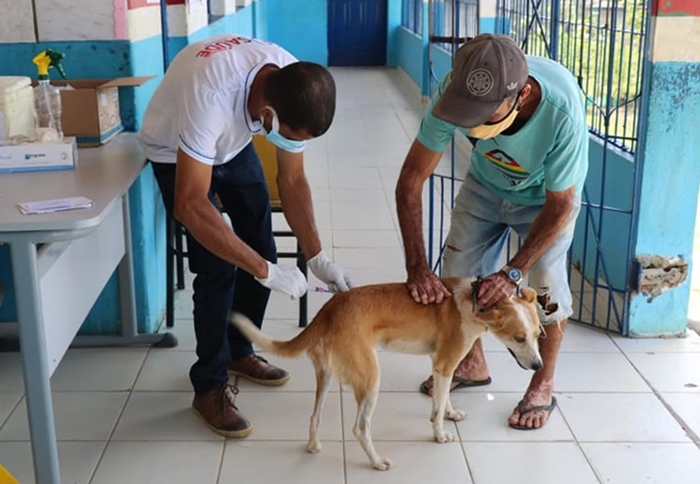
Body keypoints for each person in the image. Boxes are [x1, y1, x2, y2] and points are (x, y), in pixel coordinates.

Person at [138, 34, 353, 438]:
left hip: (231, 147)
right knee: (218, 264)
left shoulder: (290, 78)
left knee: (261, 242)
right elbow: (190, 204)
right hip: (173, 149)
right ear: (268, 113)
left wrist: (317, 256)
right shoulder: (212, 97)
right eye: (290, 136)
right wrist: (264, 271)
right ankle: (209, 385)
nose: (291, 145)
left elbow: (291, 178)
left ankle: (239, 351)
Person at [395, 33, 588, 430]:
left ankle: (542, 383)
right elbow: (412, 178)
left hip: (545, 200)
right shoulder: (455, 87)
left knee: (547, 284)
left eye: (485, 113)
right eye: (469, 112)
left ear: (523, 94)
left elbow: (562, 205)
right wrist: (416, 265)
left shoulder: (560, 111)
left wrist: (513, 271)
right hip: (483, 185)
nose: (474, 123)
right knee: (459, 270)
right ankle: (473, 361)